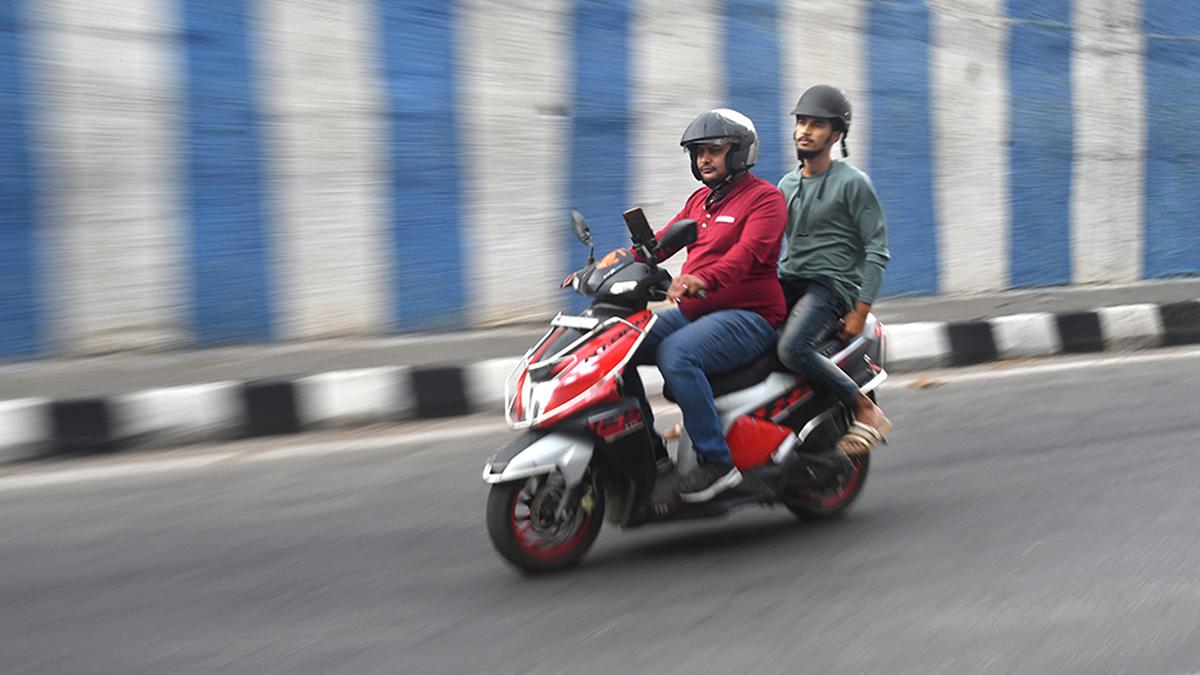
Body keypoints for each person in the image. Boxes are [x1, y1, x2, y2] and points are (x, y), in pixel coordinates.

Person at [623, 108, 787, 503]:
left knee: (676, 355)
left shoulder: (766, 200)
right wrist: (611, 267)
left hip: (750, 316)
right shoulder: (700, 201)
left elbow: (747, 255)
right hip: (696, 313)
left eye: (714, 150)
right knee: (618, 347)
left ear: (740, 153)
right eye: (698, 153)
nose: (704, 159)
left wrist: (703, 278)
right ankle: (647, 451)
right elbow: (659, 245)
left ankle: (717, 463)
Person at [775, 85, 892, 454]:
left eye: (817, 125)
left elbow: (877, 249)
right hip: (789, 281)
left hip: (830, 286)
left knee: (792, 350)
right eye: (801, 122)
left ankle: (864, 408)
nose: (804, 131)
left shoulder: (853, 183)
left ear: (836, 135)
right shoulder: (786, 184)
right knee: (734, 333)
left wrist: (861, 310)